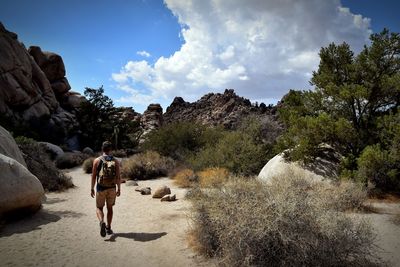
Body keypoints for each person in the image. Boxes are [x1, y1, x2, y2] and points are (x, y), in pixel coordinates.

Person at [91, 141, 121, 237]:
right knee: (110, 208)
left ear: (102, 149)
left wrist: (91, 188)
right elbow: (118, 177)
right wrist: (119, 189)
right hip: (112, 188)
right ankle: (108, 227)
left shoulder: (97, 160)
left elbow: (93, 176)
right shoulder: (115, 161)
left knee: (99, 208)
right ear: (110, 149)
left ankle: (101, 222)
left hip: (101, 188)